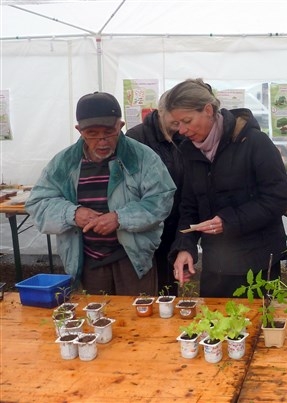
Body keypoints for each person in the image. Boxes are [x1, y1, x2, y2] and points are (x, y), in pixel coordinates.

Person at [25, 92, 176, 296]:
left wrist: (119, 218)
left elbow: (161, 200)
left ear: (120, 125)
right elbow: (38, 204)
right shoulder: (64, 163)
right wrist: (72, 214)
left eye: (108, 132)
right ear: (79, 130)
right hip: (86, 260)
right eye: (92, 133)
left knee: (138, 320)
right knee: (93, 321)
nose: (102, 141)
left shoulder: (143, 158)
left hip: (133, 259)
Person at [165, 78, 287, 297]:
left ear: (207, 110)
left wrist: (230, 220)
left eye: (187, 121)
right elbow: (189, 205)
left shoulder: (254, 142)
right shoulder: (189, 151)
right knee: (216, 325)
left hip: (258, 260)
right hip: (217, 262)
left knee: (257, 327)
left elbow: (279, 196)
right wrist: (185, 246)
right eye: (177, 124)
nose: (183, 130)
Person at [126, 90, 185, 293]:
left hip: (176, 224)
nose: (180, 124)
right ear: (161, 110)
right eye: (174, 118)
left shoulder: (183, 136)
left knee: (170, 285)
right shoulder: (136, 138)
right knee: (149, 284)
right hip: (148, 225)